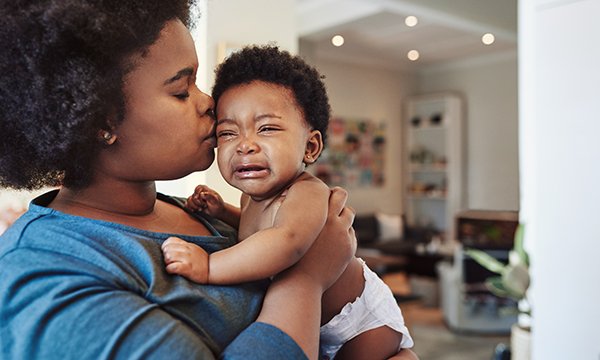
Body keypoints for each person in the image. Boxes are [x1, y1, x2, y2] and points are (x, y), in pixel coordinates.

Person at [0, 1, 360, 359]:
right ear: (100, 121)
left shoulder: (194, 211)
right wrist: (307, 280)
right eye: (181, 90)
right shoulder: (46, 277)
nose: (209, 104)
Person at [161, 45, 415, 360]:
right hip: (313, 321)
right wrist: (223, 212)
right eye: (227, 133)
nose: (245, 146)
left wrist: (209, 266)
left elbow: (287, 242)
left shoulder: (307, 192)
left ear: (310, 147)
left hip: (360, 319)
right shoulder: (252, 197)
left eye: (266, 128)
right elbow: (260, 230)